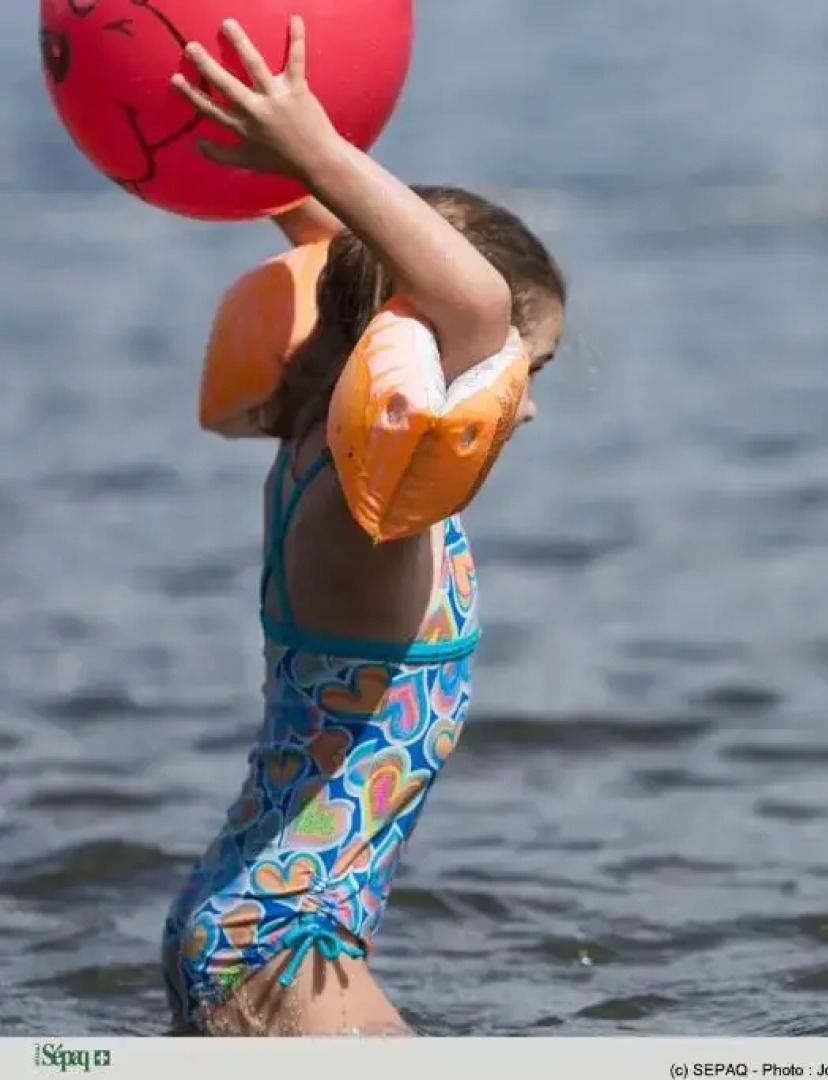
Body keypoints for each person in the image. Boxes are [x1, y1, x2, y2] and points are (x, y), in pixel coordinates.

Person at [158, 16, 567, 1035]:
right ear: (433, 355)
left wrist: (272, 161)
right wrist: (315, 148)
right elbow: (464, 299)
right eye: (527, 370)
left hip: (262, 921)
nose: (523, 406)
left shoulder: (316, 432)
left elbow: (359, 272)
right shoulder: (369, 508)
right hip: (288, 944)